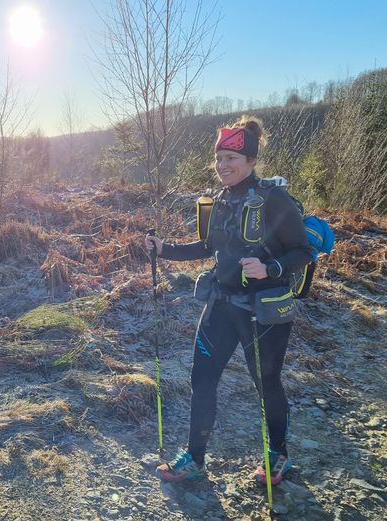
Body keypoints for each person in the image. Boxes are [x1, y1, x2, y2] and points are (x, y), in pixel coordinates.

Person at [145, 116, 312, 485]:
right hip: (220, 305)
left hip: (262, 310)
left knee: (266, 382)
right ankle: (194, 457)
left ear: (250, 160)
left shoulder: (274, 199)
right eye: (219, 158)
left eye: (231, 158)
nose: (222, 165)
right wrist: (165, 249)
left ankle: (277, 455)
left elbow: (303, 252)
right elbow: (208, 247)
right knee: (202, 378)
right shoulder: (219, 200)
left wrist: (270, 268)